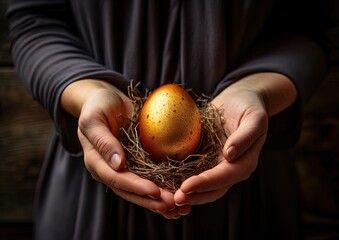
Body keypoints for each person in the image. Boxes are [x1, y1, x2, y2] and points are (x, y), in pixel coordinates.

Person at [7, 0, 332, 239]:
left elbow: (306, 30)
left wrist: (255, 90)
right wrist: (89, 93)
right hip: (93, 187)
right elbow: (35, 22)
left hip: (246, 176)